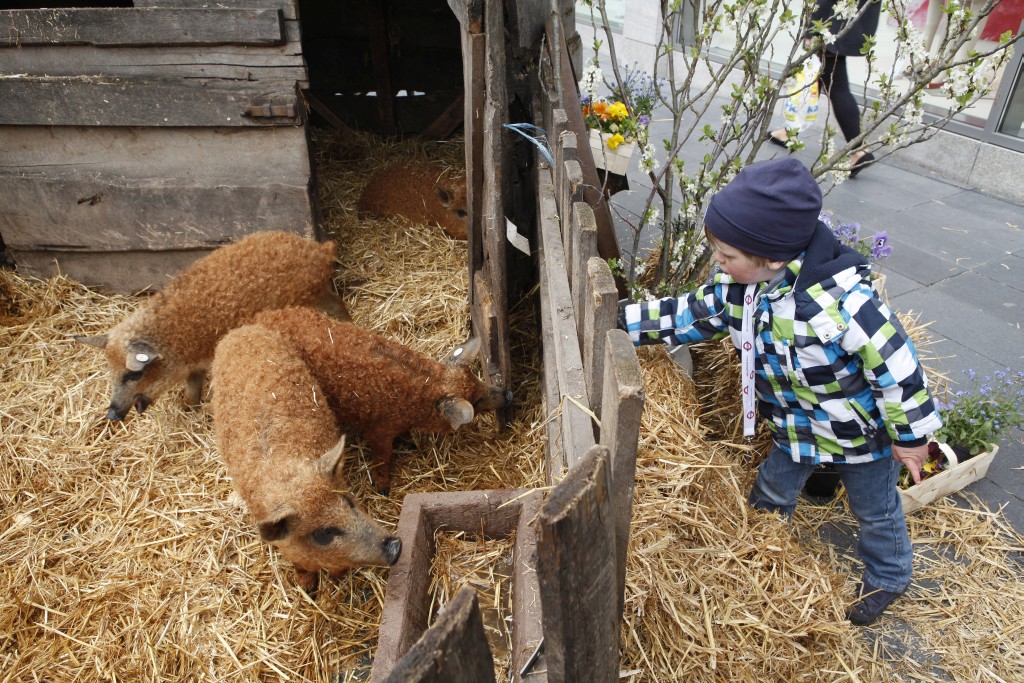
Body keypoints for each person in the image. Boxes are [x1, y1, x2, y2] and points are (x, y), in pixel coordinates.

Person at [619, 157, 943, 626]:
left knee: (875, 509)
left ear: (771, 258)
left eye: (726, 255)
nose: (717, 262)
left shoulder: (842, 304)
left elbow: (899, 369)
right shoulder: (738, 290)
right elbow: (686, 316)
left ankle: (889, 576)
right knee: (771, 489)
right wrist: (621, 323)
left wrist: (910, 437)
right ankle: (762, 553)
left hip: (860, 435)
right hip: (796, 426)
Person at [770, 0, 880, 177]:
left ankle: (858, 150)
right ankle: (790, 131)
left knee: (836, 84)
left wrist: (812, 27)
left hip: (833, 21)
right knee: (820, 74)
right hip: (847, 18)